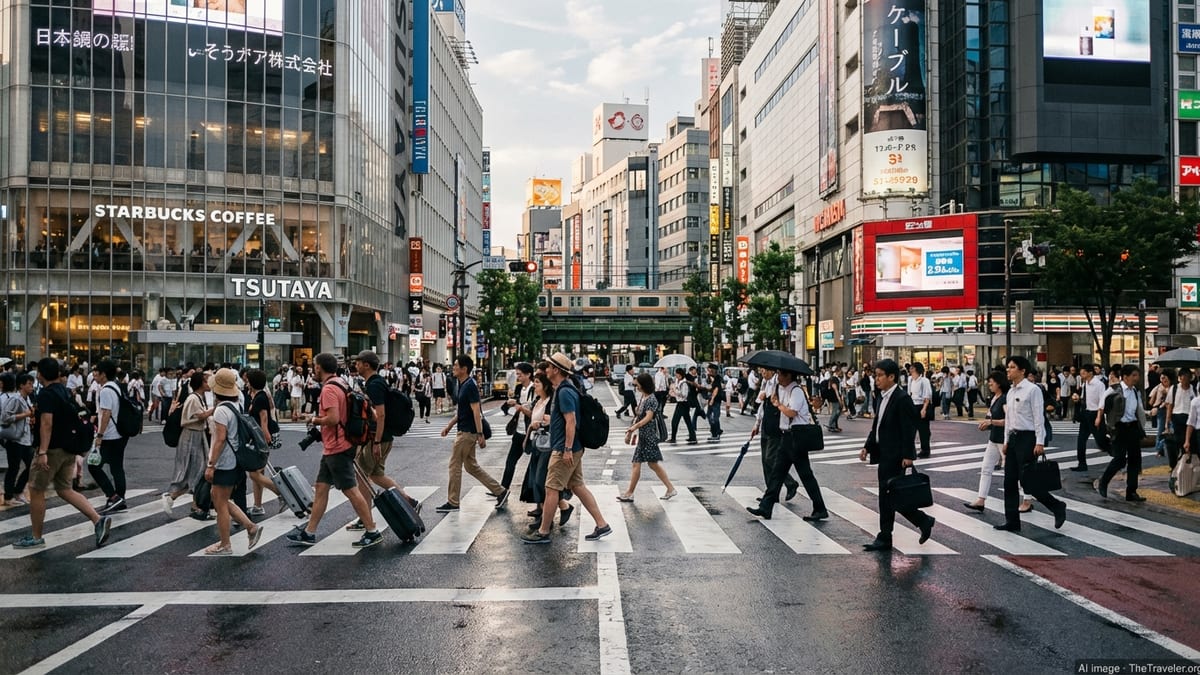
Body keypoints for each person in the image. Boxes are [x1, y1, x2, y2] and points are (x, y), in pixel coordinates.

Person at [285, 353, 383, 548]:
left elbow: (333, 418)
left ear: (320, 367)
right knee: (321, 488)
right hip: (337, 446)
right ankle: (309, 532)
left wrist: (313, 419)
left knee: (351, 490)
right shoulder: (341, 382)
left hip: (338, 447)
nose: (312, 370)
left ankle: (372, 531)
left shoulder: (329, 389)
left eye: (314, 366)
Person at [14, 358, 112, 549]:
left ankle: (36, 536)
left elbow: (47, 423)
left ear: (40, 374)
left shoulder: (47, 395)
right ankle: (97, 519)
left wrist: (42, 451)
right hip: (69, 449)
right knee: (65, 489)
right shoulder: (64, 391)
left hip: (51, 450)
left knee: (36, 490)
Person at [522, 353, 611, 544]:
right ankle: (602, 524)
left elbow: (571, 421)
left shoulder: (564, 392)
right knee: (577, 486)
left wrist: (567, 449)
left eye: (548, 367)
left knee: (551, 488)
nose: (545, 370)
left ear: (556, 370)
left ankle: (544, 531)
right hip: (571, 447)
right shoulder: (564, 388)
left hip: (565, 448)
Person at [857, 359, 936, 551]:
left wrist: (909, 455)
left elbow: (909, 429)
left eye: (880, 375)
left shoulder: (901, 399)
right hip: (884, 453)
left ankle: (888, 535)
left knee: (890, 496)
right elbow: (878, 425)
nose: (876, 379)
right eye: (876, 375)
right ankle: (920, 522)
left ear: (891, 377)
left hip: (896, 456)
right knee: (891, 496)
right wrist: (867, 446)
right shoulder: (882, 397)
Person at [345, 350, 421, 531]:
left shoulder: (374, 385)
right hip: (384, 437)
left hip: (377, 438)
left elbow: (381, 414)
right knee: (376, 475)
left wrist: (377, 441)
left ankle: (365, 518)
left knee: (362, 476)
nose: (356, 365)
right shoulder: (376, 382)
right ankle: (409, 501)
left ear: (366, 365)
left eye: (358, 362)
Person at [994, 356, 1067, 531]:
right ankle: (1012, 521)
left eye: (1012, 367)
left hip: (1028, 438)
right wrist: (1005, 441)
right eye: (1008, 367)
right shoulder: (1010, 392)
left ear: (1022, 371)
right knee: (1009, 481)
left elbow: (1038, 417)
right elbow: (1009, 419)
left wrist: (1039, 442)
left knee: (1028, 481)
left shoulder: (1032, 390)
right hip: (1013, 438)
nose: (1008, 370)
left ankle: (1056, 506)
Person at [747, 368, 827, 521]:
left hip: (796, 438)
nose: (779, 377)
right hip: (786, 436)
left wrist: (778, 405)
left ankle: (820, 508)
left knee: (806, 475)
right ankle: (766, 506)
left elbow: (792, 412)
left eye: (781, 374)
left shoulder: (796, 391)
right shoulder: (781, 389)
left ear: (789, 375)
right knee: (777, 473)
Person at [199, 369, 264, 555]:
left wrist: (211, 464)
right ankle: (250, 527)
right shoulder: (235, 405)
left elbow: (220, 439)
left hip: (225, 462)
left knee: (220, 504)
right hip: (235, 461)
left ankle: (225, 544)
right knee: (220, 498)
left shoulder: (221, 410)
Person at [437, 355, 508, 512]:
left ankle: (453, 502)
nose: (453, 367)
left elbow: (476, 411)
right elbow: (463, 412)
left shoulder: (469, 386)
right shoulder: (463, 384)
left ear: (464, 369)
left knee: (454, 465)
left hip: (467, 433)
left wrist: (480, 434)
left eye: (456, 365)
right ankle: (500, 491)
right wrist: (449, 426)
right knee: (471, 466)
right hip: (465, 430)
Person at [963, 371, 1030, 513]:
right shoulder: (995, 397)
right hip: (994, 439)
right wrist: (988, 424)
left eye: (991, 382)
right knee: (986, 468)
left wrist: (991, 422)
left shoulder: (1005, 399)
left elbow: (1009, 420)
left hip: (1003, 440)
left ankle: (1027, 499)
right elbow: (991, 417)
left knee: (1015, 471)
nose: (989, 385)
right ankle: (981, 500)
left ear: (998, 383)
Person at [519, 368, 574, 525]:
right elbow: (532, 419)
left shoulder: (552, 401)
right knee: (536, 481)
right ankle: (558, 509)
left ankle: (546, 519)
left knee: (541, 481)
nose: (534, 385)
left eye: (537, 382)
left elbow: (558, 422)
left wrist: (543, 423)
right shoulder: (538, 401)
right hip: (537, 444)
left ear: (545, 385)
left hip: (548, 445)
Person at [161, 371, 213, 520]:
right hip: (191, 436)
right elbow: (198, 416)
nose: (208, 384)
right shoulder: (193, 399)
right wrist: (214, 409)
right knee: (194, 471)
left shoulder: (198, 397)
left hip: (197, 435)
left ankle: (196, 505)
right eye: (206, 381)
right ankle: (172, 496)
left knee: (199, 472)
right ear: (200, 384)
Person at [618, 373, 677, 501]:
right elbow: (639, 415)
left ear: (643, 385)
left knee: (645, 464)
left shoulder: (651, 399)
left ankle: (630, 493)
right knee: (648, 464)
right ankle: (669, 488)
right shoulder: (644, 397)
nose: (636, 387)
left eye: (637, 384)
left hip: (648, 436)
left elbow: (648, 417)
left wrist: (635, 427)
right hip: (644, 436)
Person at [1097, 364, 1148, 502]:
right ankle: (1104, 481)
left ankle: (1131, 492)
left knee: (1134, 460)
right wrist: (1103, 421)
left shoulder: (1135, 391)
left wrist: (1142, 425)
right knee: (1119, 459)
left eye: (1137, 375)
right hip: (1119, 428)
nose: (1136, 378)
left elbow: (1138, 410)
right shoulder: (1114, 390)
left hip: (1132, 428)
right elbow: (1102, 405)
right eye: (1134, 375)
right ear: (1125, 377)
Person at [750, 366, 799, 502]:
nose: (762, 373)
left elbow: (783, 404)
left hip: (777, 425)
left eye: (764, 370)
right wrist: (757, 424)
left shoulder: (778, 384)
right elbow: (761, 407)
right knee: (765, 461)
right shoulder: (765, 383)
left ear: (772, 371)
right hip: (766, 423)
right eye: (761, 370)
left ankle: (790, 483)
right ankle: (771, 494)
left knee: (770, 458)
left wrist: (770, 396)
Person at [89, 359, 131, 514]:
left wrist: (99, 435)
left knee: (93, 466)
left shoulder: (106, 390)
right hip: (120, 434)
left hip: (110, 435)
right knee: (116, 467)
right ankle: (120, 499)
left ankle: (113, 497)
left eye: (96, 372)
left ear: (103, 374)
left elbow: (106, 413)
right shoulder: (116, 386)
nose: (94, 374)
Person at [243, 369, 282, 516]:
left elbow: (263, 417)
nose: (246, 383)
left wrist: (265, 436)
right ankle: (258, 505)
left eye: (247, 381)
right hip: (258, 437)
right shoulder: (258, 395)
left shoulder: (260, 397)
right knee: (259, 472)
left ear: (252, 382)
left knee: (254, 473)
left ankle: (280, 492)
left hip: (260, 438)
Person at [501, 363, 536, 494]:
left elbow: (533, 412)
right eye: (517, 374)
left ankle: (537, 496)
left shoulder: (535, 389)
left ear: (528, 375)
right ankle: (503, 490)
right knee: (510, 461)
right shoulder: (519, 388)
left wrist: (518, 405)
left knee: (535, 464)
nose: (518, 377)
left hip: (531, 432)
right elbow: (516, 406)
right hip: (519, 430)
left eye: (520, 374)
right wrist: (511, 403)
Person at [1, 373, 35, 507]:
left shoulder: (27, 399)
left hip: (25, 438)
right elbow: (5, 418)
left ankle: (18, 491)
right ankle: (9, 496)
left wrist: (30, 418)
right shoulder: (15, 399)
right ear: (21, 385)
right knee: (13, 468)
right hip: (15, 439)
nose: (31, 387)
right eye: (29, 384)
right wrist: (25, 415)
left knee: (32, 465)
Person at [1072, 363, 1110, 472]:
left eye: (1084, 373)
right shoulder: (1085, 384)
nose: (1082, 375)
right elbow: (1085, 398)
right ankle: (1082, 464)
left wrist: (1099, 417)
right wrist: (1078, 398)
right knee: (1081, 440)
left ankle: (1118, 456)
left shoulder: (1099, 385)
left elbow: (1102, 402)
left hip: (1095, 414)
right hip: (1086, 414)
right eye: (1081, 373)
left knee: (1101, 440)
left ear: (1090, 373)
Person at [1166, 368, 1194, 470]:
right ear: (1179, 378)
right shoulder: (1174, 389)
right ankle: (1175, 463)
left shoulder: (1193, 390)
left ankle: (1183, 462)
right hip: (1176, 417)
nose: (1184, 379)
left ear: (1190, 378)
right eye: (1182, 377)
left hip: (1189, 417)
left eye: (1187, 377)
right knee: (1176, 441)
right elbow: (1170, 405)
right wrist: (1167, 422)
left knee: (1187, 442)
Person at [907, 363, 933, 457]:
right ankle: (911, 449)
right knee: (910, 429)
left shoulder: (924, 381)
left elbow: (927, 396)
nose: (910, 370)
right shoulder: (910, 379)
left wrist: (924, 409)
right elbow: (909, 393)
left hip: (921, 405)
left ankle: (925, 450)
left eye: (912, 368)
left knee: (924, 430)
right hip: (913, 405)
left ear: (917, 369)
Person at [668, 368, 698, 444]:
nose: (676, 375)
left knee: (675, 421)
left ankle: (673, 438)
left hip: (683, 403)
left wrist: (675, 391)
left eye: (677, 374)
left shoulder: (684, 383)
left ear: (680, 374)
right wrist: (673, 392)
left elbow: (684, 394)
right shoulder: (678, 381)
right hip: (681, 403)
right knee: (687, 420)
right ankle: (693, 436)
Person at [704, 363, 723, 442]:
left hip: (716, 400)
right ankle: (717, 430)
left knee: (715, 417)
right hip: (712, 399)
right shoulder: (712, 378)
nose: (708, 371)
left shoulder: (717, 378)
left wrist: (712, 399)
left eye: (709, 369)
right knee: (709, 415)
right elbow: (711, 387)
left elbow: (716, 389)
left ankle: (716, 433)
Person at [823, 367, 844, 433]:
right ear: (838, 371)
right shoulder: (834, 379)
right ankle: (831, 425)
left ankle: (835, 425)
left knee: (837, 411)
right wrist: (839, 399)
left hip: (833, 397)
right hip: (834, 397)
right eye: (841, 371)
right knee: (836, 412)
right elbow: (836, 390)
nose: (841, 373)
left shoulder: (834, 378)